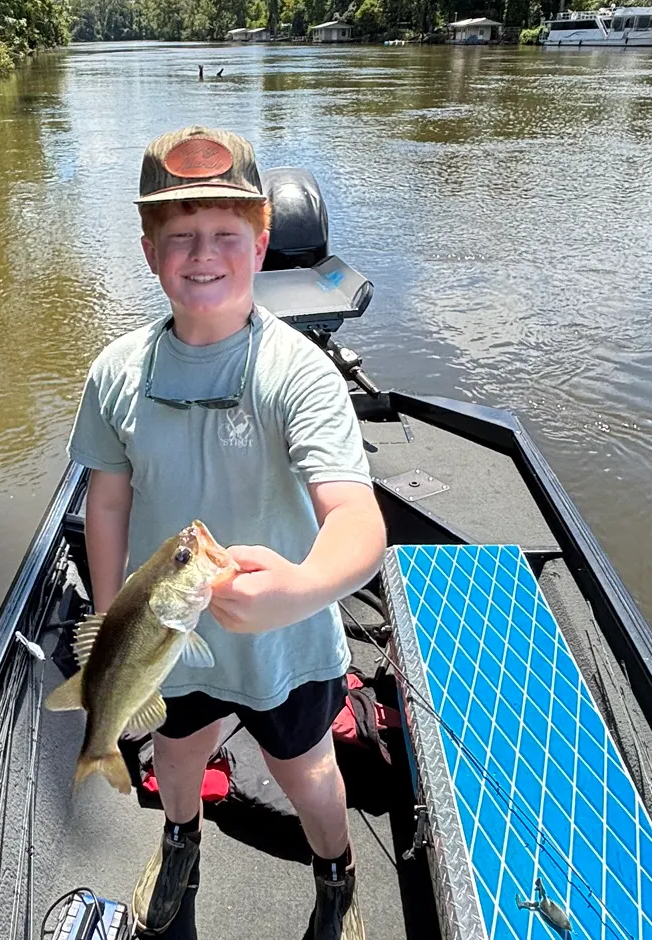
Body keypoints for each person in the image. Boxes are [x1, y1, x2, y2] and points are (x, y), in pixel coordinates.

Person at [68, 126, 385, 939]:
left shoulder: (298, 372)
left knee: (308, 770)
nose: (202, 255)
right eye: (180, 238)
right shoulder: (115, 373)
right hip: (166, 635)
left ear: (261, 241)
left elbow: (357, 521)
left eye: (225, 235)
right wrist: (112, 624)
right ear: (149, 251)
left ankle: (338, 876)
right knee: (175, 755)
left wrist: (300, 593)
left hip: (287, 641)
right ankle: (180, 843)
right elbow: (106, 504)